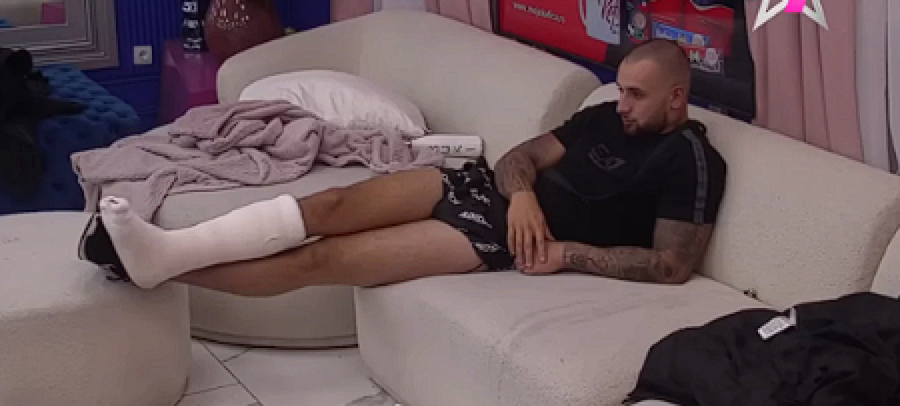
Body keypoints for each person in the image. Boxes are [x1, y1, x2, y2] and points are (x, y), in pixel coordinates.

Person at [78, 38, 726, 295]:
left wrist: (565, 252)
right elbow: (520, 158)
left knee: (323, 260)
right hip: (484, 188)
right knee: (329, 205)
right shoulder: (603, 115)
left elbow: (671, 266)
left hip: (497, 238)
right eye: (622, 90)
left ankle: (160, 265)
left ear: (676, 97)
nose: (623, 104)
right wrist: (525, 193)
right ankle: (164, 249)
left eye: (637, 95)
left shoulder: (691, 160)